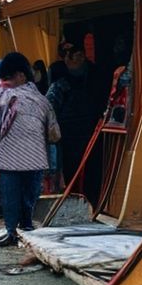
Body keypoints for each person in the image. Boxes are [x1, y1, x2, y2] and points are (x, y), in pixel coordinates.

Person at [0, 53, 58, 247]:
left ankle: (12, 231)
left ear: (21, 76)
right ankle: (26, 227)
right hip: (35, 157)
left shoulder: (1, 96)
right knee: (29, 195)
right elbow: (53, 133)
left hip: (8, 157)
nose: (5, 82)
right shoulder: (42, 100)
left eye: (9, 78)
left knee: (10, 196)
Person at [46, 41, 107, 204]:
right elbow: (50, 109)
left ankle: (91, 202)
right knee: (71, 172)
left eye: (78, 55)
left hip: (91, 133)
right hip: (68, 136)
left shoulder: (95, 76)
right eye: (68, 56)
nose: (72, 59)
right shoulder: (59, 80)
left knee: (92, 173)